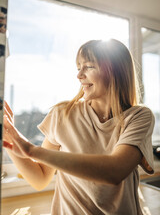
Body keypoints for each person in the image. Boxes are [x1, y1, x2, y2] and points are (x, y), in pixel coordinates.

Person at [3, 39, 155, 215]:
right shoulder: (62, 114)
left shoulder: (138, 117)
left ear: (116, 71)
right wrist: (10, 140)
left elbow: (114, 171)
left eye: (89, 67)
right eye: (78, 68)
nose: (79, 75)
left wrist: (32, 150)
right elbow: (40, 178)